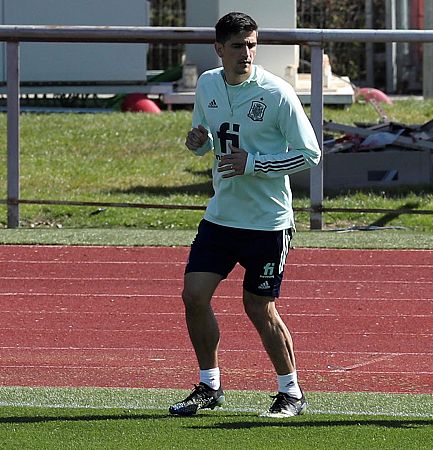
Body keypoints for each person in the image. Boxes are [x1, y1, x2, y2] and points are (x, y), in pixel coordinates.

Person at [168, 11, 321, 418]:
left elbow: (310, 154)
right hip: (221, 217)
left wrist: (253, 164)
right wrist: (198, 142)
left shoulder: (277, 93)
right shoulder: (207, 83)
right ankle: (209, 386)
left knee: (258, 307)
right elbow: (207, 140)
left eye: (251, 45)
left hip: (267, 223)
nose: (246, 53)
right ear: (219, 49)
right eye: (237, 46)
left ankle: (291, 392)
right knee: (194, 296)